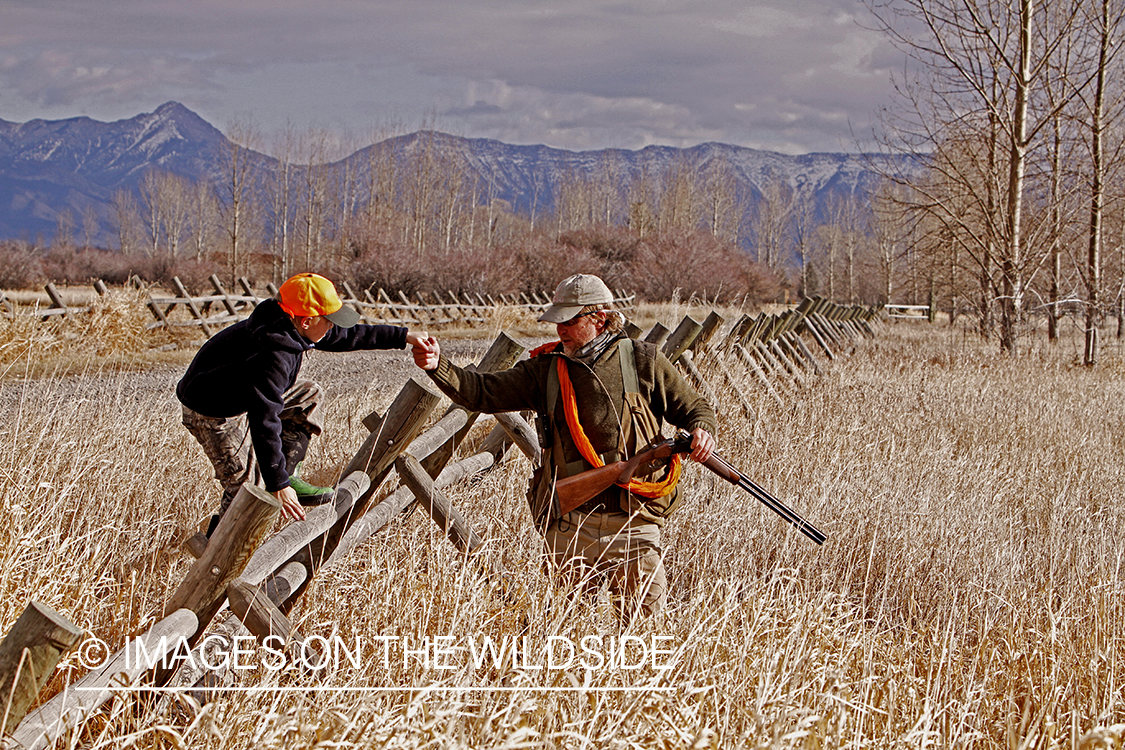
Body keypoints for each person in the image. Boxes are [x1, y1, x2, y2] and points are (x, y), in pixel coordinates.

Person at [412, 273, 717, 620]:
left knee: (644, 632)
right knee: (564, 630)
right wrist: (438, 366)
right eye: (558, 321)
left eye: (569, 321)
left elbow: (695, 408)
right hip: (570, 525)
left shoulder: (643, 360)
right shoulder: (545, 369)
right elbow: (482, 391)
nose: (559, 330)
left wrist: (701, 430)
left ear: (599, 318)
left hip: (635, 522)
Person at [177, 272, 428, 532]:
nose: (333, 327)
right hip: (212, 411)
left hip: (245, 394)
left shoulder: (292, 324)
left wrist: (405, 336)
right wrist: (277, 483)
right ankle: (216, 552)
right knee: (248, 488)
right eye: (329, 321)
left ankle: (289, 474)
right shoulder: (273, 353)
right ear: (307, 321)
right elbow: (264, 419)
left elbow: (349, 335)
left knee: (307, 394)